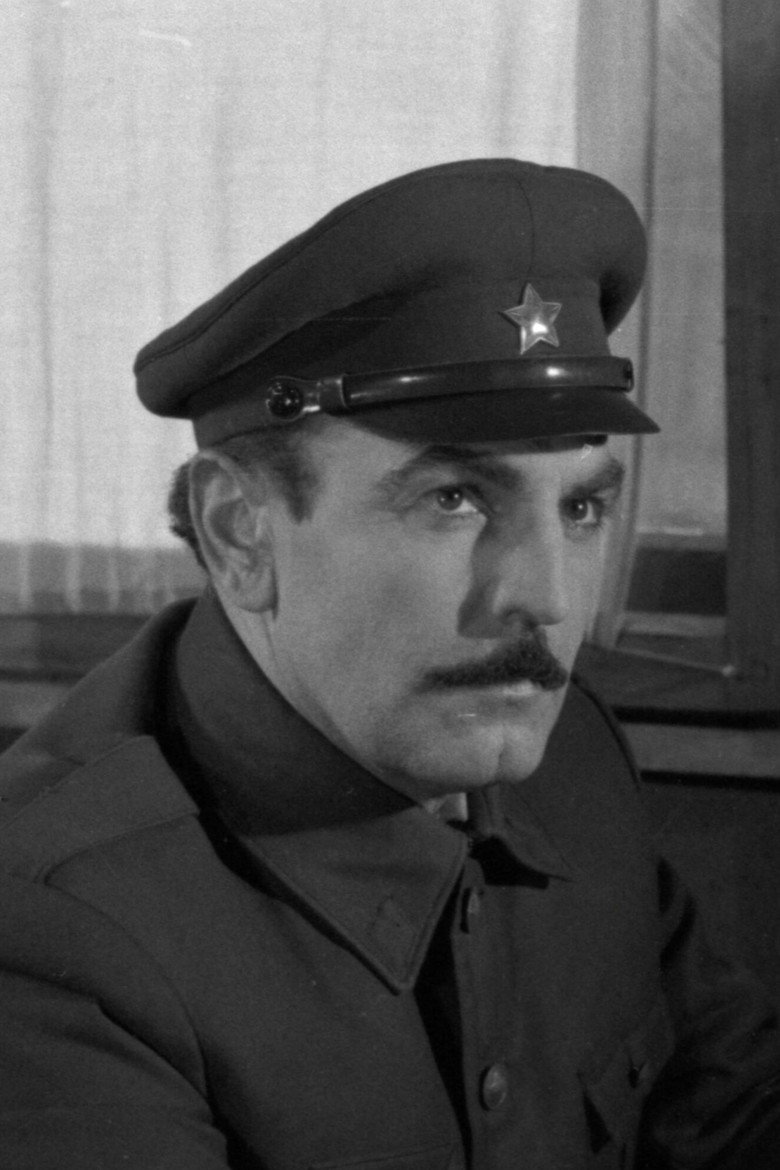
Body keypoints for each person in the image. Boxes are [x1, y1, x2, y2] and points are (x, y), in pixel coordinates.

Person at [0, 159, 778, 1170]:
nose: (545, 599)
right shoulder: (49, 930)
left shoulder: (571, 750)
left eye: (582, 507)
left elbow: (729, 1107)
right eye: (454, 500)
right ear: (242, 533)